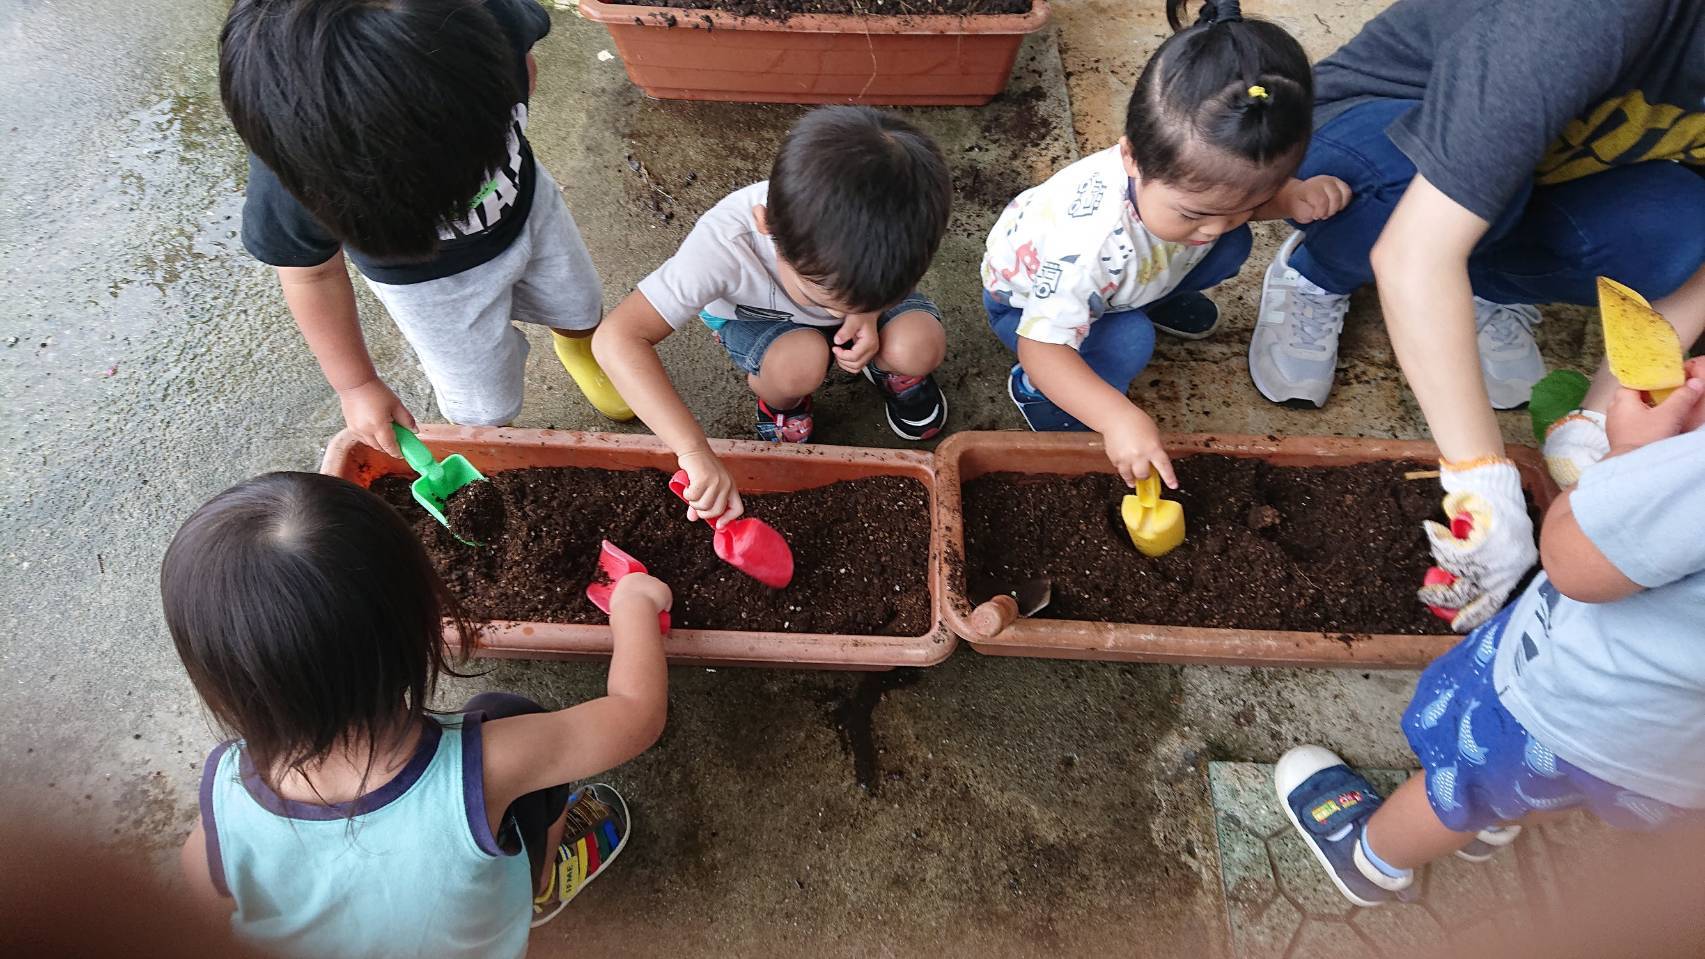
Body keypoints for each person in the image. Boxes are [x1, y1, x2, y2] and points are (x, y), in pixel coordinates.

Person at [1248, 0, 1705, 627]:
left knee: (1684, 232)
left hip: (1536, 175)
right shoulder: (1588, 15)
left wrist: (1600, 421)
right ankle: (1317, 270)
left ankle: (1481, 281)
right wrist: (1481, 481)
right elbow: (1413, 255)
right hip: (1373, 147)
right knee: (1418, 201)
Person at [166, 472, 670, 957]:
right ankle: (541, 883)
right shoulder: (486, 766)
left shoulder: (222, 809)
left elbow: (211, 915)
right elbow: (634, 714)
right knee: (504, 712)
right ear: (420, 626)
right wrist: (633, 607)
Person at [1275, 364, 1705, 907]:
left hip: (1566, 707)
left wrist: (1631, 455)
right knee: (1565, 781)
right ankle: (1498, 813)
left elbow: (1578, 562)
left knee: (1462, 784)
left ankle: (1372, 856)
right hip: (1673, 763)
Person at [220, 0, 632, 460]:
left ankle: (580, 350)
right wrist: (357, 384)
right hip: (429, 285)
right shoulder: (297, 177)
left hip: (530, 207)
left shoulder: (487, 20)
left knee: (578, 305)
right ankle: (496, 437)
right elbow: (310, 274)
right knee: (484, 404)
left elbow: (524, 67)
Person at [981, 0, 1351, 486]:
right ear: (1131, 156)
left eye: (1248, 201)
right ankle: (1035, 393)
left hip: (1133, 270)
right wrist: (1116, 418)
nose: (1217, 224)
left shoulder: (1191, 189)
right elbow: (1041, 347)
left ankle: (1150, 295)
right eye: (1195, 212)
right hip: (1028, 311)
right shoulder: (1086, 246)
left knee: (1231, 245)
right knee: (1130, 341)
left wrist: (1292, 197)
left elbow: (1230, 204)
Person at [595, 106, 952, 524]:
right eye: (827, 297)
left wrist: (870, 314)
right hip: (761, 320)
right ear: (766, 225)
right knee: (799, 366)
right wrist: (692, 450)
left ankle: (888, 364)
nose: (838, 313)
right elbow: (616, 338)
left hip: (862, 292)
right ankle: (783, 404)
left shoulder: (894, 226)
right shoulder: (723, 246)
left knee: (919, 344)